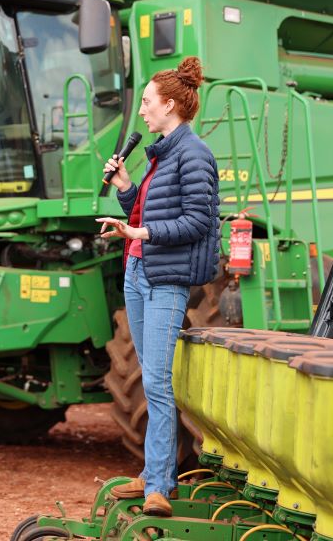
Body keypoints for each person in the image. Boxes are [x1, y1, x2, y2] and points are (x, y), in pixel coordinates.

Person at [96, 57, 219, 517]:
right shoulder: (159, 155)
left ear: (169, 104)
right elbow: (146, 215)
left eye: (147, 103)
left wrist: (141, 235)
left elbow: (198, 221)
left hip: (165, 279)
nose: (142, 112)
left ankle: (161, 485)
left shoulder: (194, 154)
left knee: (159, 383)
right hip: (137, 270)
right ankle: (150, 474)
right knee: (149, 380)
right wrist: (127, 192)